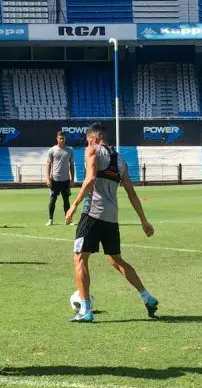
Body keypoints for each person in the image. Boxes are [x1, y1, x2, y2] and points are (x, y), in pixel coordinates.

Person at [64, 122, 159, 322]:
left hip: (92, 214)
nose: (87, 144)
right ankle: (147, 297)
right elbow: (131, 193)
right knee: (115, 259)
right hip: (111, 218)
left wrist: (74, 205)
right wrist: (144, 221)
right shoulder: (121, 160)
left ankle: (85, 310)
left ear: (94, 139)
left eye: (88, 140)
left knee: (79, 258)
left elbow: (90, 179)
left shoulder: (92, 151)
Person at [46, 131, 75, 226]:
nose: (62, 140)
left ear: (65, 139)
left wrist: (72, 179)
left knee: (66, 201)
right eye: (60, 138)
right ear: (57, 138)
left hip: (65, 180)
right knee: (52, 200)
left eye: (63, 138)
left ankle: (68, 219)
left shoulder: (69, 151)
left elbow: (71, 166)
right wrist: (48, 178)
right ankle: (50, 219)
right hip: (54, 180)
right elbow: (48, 164)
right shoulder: (52, 150)